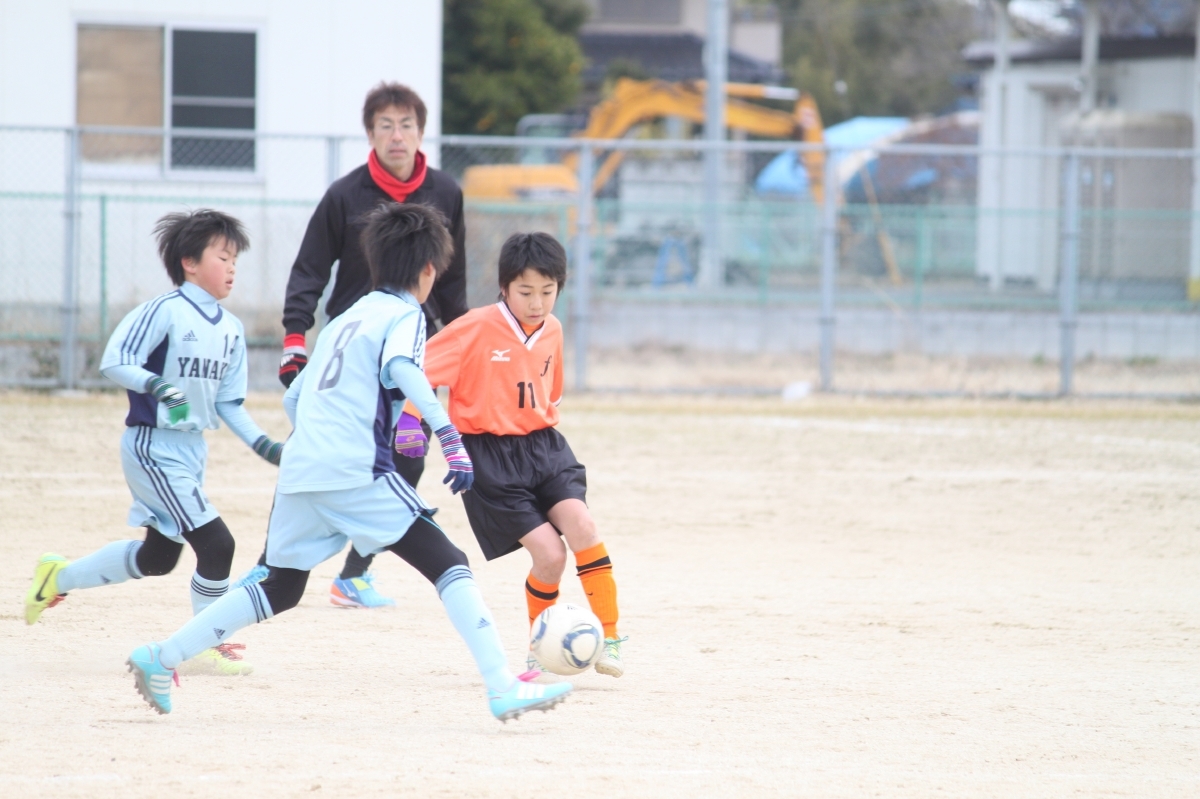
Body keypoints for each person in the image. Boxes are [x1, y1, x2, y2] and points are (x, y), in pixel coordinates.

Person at [126, 204, 572, 723]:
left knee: (280, 586)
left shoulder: (346, 318)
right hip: (355, 468)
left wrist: (319, 439)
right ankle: (502, 686)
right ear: (429, 269)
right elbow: (404, 367)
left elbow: (295, 398)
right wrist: (447, 435)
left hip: (302, 468)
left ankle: (162, 656)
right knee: (450, 563)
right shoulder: (405, 315)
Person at [25, 209, 283, 676]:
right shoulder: (164, 311)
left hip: (191, 450)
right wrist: (158, 385)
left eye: (235, 260)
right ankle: (203, 645)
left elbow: (229, 403)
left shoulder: (231, 329)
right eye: (222, 257)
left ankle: (57, 576)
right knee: (218, 544)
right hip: (152, 447)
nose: (232, 268)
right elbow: (115, 360)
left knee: (158, 558)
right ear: (189, 262)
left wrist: (268, 447)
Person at [246, 81, 469, 609]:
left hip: (413, 348)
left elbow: (454, 279)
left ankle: (353, 574)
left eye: (406, 125)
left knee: (407, 457)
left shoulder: (446, 193)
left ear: (421, 132)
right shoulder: (345, 195)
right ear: (370, 134)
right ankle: (269, 566)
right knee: (320, 455)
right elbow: (309, 269)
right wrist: (295, 338)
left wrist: (461, 345)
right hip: (349, 352)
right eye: (385, 126)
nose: (397, 136)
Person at [421, 232, 627, 678]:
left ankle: (610, 638)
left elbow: (552, 391)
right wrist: (411, 421)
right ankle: (540, 648)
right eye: (526, 292)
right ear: (504, 287)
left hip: (543, 446)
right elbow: (415, 371)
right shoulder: (474, 327)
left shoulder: (553, 329)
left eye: (548, 292)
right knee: (550, 556)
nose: (537, 303)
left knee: (583, 526)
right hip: (489, 457)